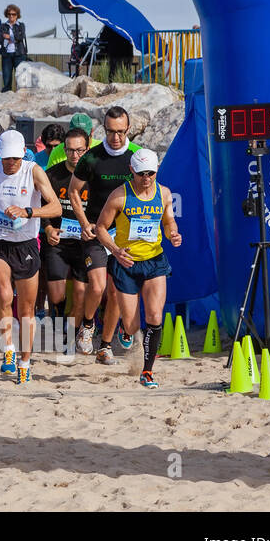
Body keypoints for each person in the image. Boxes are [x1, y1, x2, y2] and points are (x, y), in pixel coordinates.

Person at [0, 131, 60, 384]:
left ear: (23, 155)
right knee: (3, 297)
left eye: (16, 159)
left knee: (27, 308)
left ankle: (25, 361)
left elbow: (55, 206)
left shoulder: (33, 171)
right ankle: (9, 351)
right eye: (7, 158)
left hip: (26, 245)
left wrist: (28, 211)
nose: (11, 164)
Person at [94, 149, 181, 387]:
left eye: (151, 173)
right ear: (132, 171)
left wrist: (172, 232)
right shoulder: (119, 196)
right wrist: (115, 250)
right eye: (142, 173)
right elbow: (100, 228)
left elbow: (168, 219)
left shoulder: (163, 193)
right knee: (132, 326)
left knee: (154, 316)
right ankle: (125, 328)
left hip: (154, 261)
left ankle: (147, 371)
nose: (146, 178)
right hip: (126, 263)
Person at [68, 106, 138, 364]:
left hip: (125, 236)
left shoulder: (136, 156)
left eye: (120, 132)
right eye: (110, 132)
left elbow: (149, 192)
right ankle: (88, 325)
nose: (116, 137)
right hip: (97, 231)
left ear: (128, 129)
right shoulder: (91, 157)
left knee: (118, 292)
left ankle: (105, 346)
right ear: (103, 130)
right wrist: (84, 221)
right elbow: (73, 191)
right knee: (96, 286)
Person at [41, 127, 91, 336]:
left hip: (84, 243)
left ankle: (71, 334)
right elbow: (40, 206)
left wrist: (93, 229)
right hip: (57, 242)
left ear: (87, 149)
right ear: (64, 150)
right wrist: (48, 228)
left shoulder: (95, 176)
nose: (75, 155)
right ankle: (59, 318)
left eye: (79, 150)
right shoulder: (52, 175)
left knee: (80, 293)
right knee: (56, 295)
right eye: (70, 150)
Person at [0, 4, 28, 92]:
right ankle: (6, 98)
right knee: (6, 79)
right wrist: (10, 37)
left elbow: (20, 37)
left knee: (21, 79)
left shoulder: (21, 25)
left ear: (17, 15)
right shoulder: (3, 26)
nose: (11, 16)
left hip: (19, 54)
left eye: (14, 14)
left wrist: (9, 37)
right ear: (7, 15)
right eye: (9, 14)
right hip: (6, 55)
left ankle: (21, 97)